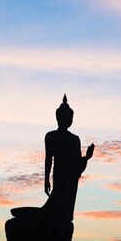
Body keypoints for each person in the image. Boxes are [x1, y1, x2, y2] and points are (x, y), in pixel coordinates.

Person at [43, 95, 94, 225]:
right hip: (60, 174)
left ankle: (62, 229)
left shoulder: (75, 139)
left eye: (71, 118)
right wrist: (46, 180)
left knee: (66, 208)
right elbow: (49, 158)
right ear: (58, 118)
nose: (69, 120)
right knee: (57, 204)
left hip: (71, 177)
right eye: (67, 117)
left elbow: (77, 163)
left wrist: (87, 157)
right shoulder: (51, 136)